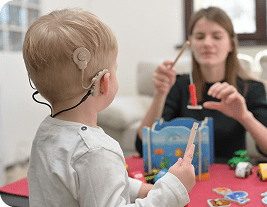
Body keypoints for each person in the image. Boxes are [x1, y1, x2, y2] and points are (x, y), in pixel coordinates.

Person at [24, 8, 195, 207]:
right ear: (104, 82)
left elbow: (95, 183)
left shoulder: (46, 132)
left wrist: (141, 190)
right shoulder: (96, 150)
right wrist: (172, 190)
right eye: (115, 69)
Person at [135, 6, 267, 162]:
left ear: (231, 44)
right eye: (200, 37)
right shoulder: (178, 85)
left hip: (231, 175)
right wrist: (160, 93)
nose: (207, 43)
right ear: (191, 44)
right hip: (186, 175)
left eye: (216, 37)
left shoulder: (252, 88)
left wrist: (244, 116)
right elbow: (143, 146)